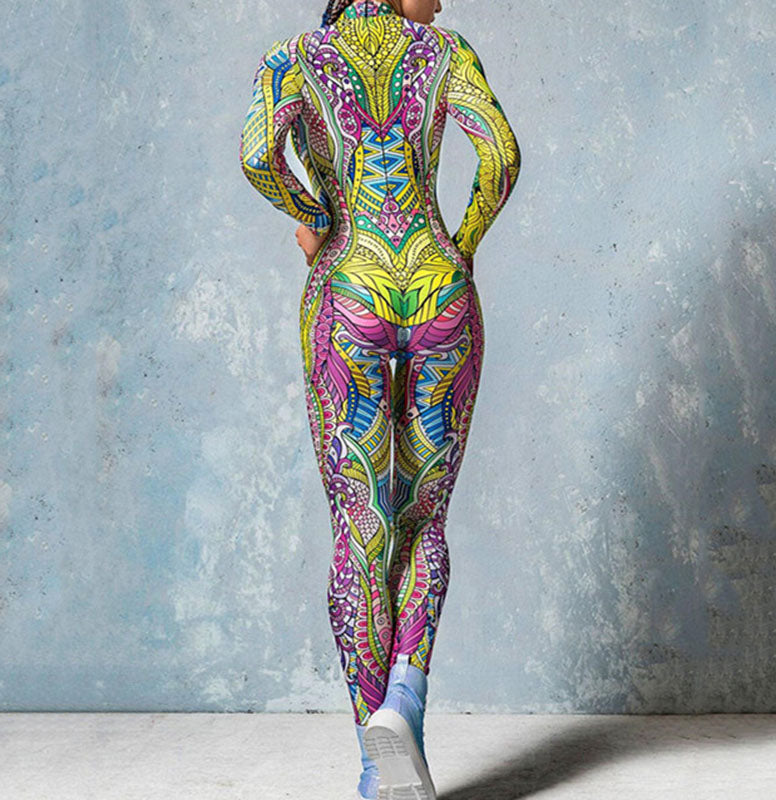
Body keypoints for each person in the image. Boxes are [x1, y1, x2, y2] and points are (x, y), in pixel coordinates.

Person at [239, 1, 520, 797]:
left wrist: (318, 220)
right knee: (423, 520)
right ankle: (406, 704)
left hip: (348, 290)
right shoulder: (444, 51)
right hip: (437, 291)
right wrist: (461, 246)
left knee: (362, 525)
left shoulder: (293, 57)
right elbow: (501, 154)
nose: (443, 0)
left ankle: (379, 765)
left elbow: (258, 154)